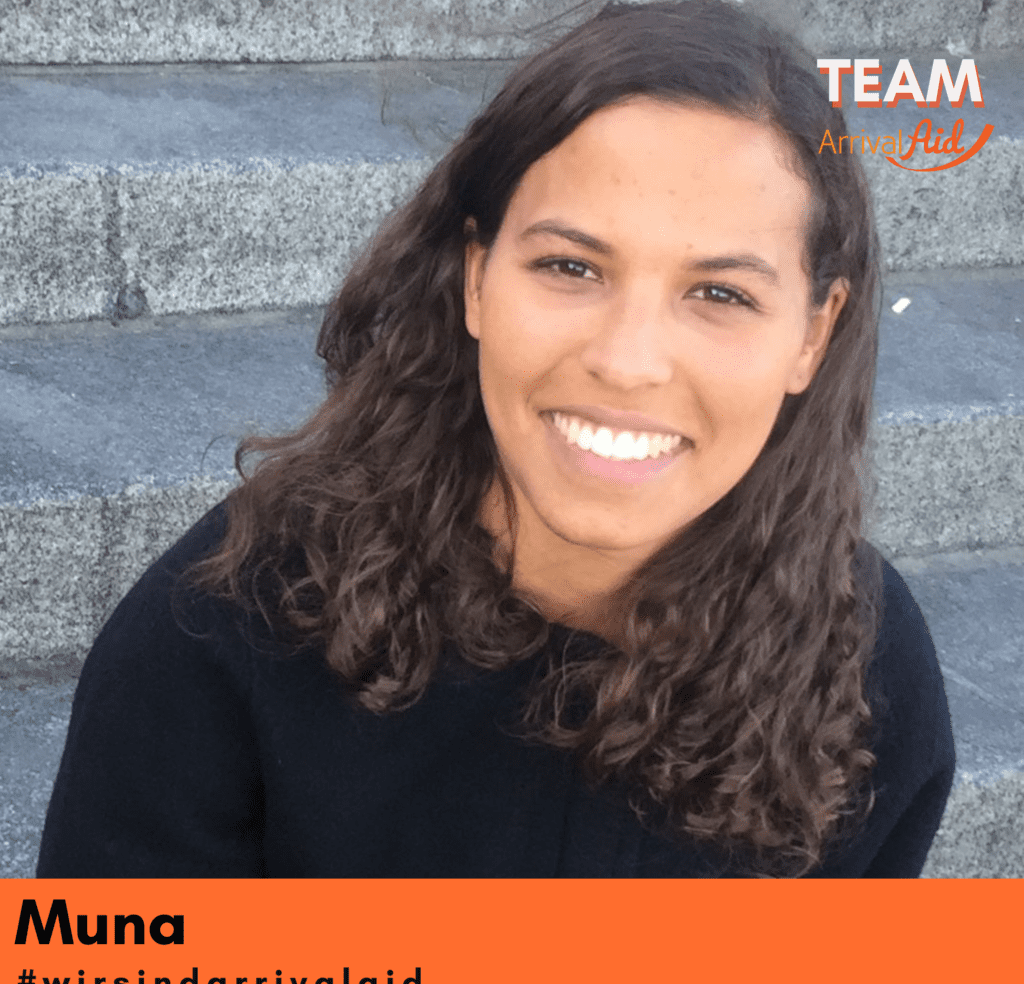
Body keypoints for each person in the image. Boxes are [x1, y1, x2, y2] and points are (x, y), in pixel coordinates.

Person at [37, 0, 955, 879]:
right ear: (477, 278)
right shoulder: (221, 634)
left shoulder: (870, 671)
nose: (628, 362)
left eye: (720, 294)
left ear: (812, 334)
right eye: (569, 266)